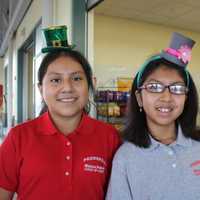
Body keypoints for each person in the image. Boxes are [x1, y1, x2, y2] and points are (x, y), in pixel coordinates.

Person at [0, 25, 121, 200]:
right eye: (56, 80)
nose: (67, 88)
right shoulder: (18, 137)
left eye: (77, 78)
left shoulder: (109, 137)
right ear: (41, 89)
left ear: (90, 85)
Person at [106, 32, 200, 200]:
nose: (166, 97)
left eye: (177, 88)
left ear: (187, 98)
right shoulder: (126, 157)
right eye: (155, 87)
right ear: (139, 98)